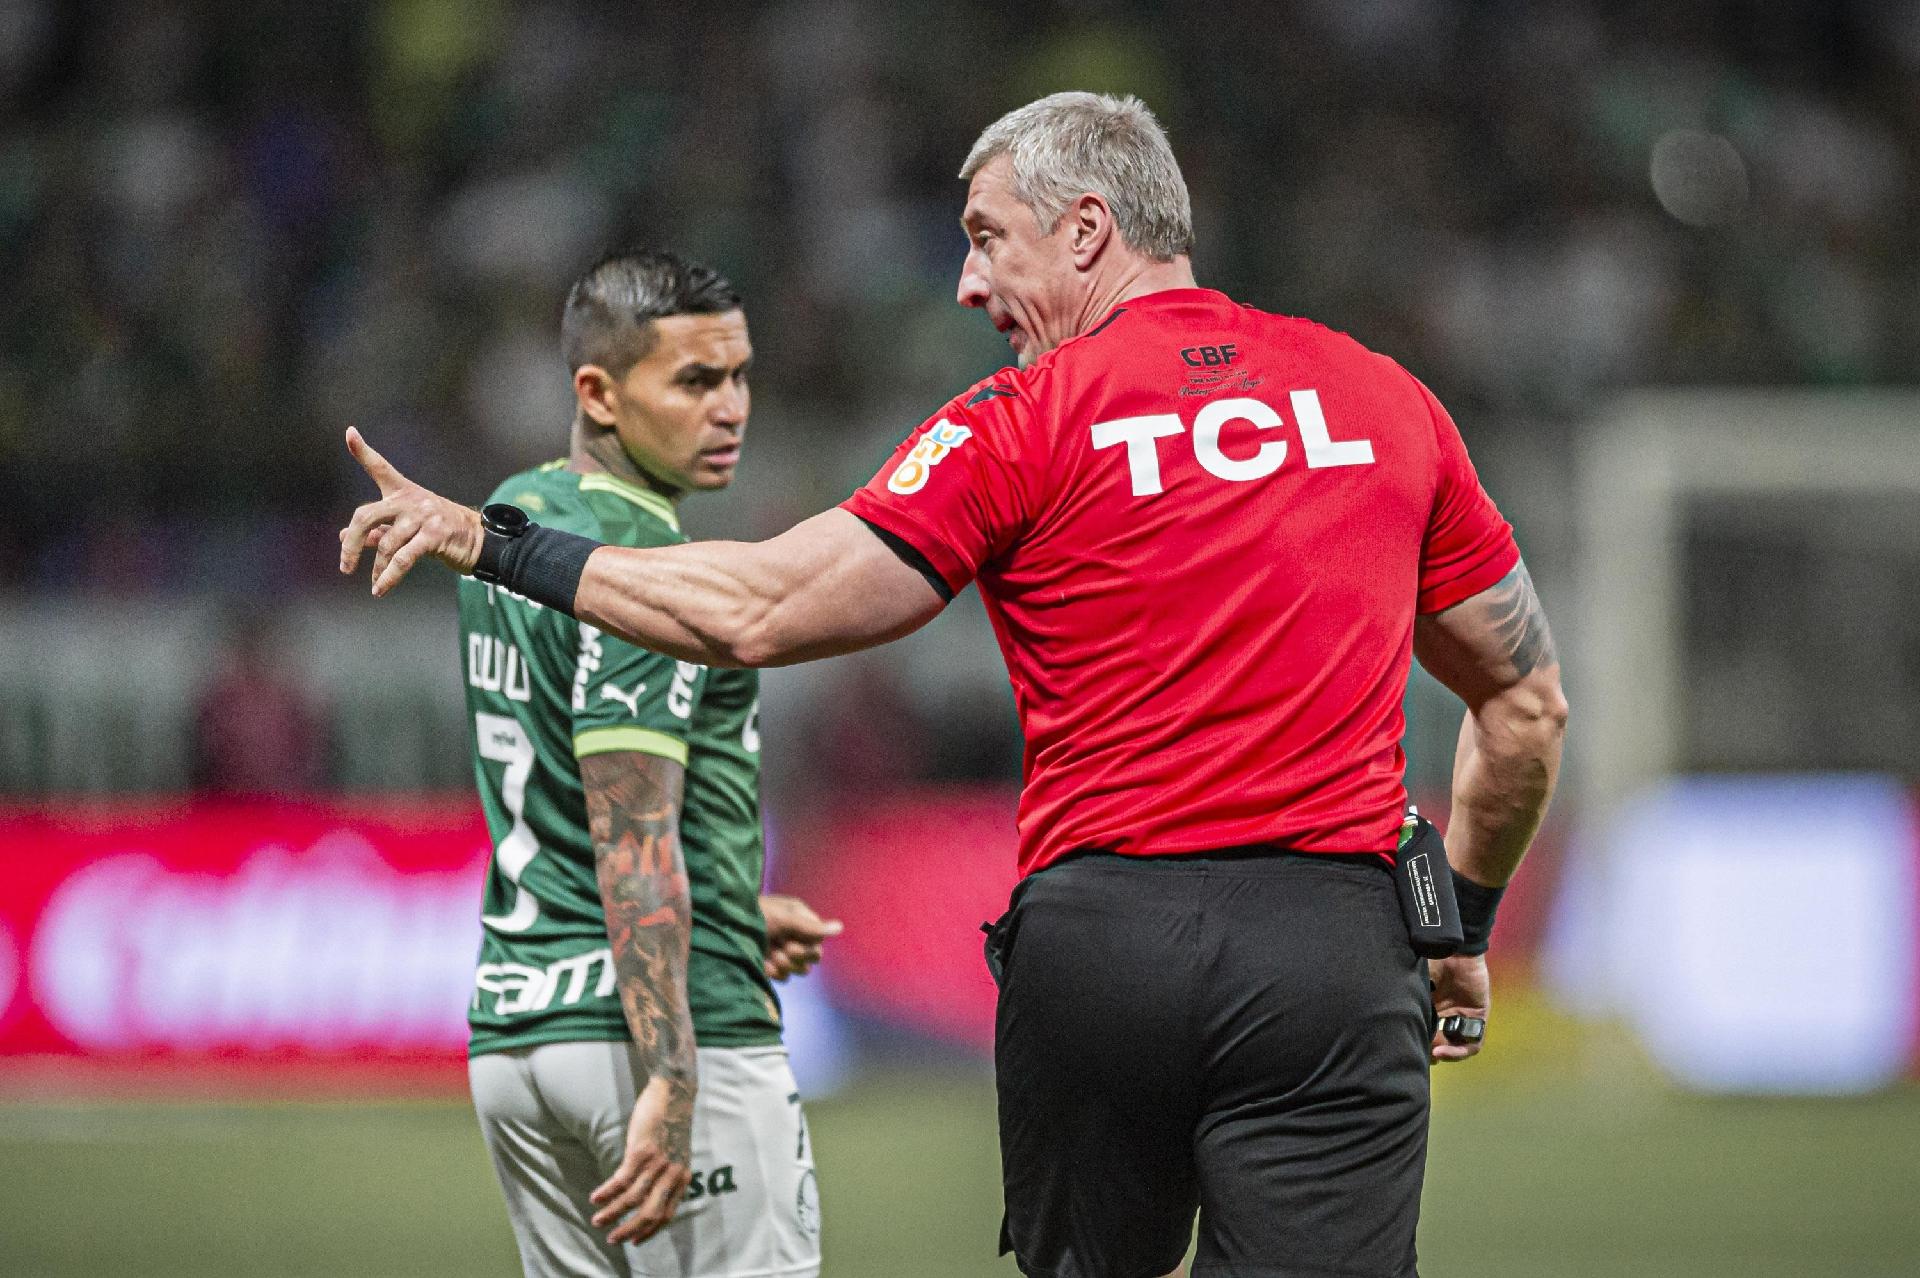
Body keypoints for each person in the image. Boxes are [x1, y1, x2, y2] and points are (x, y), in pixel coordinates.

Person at [342, 94, 1568, 1278]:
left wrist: (497, 540)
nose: (969, 284)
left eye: (987, 238)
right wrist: (1457, 924)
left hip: (1103, 950)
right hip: (1331, 952)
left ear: (1087, 227)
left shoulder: (1022, 419)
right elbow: (1524, 705)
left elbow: (756, 609)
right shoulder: (1383, 400)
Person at [453, 249, 837, 1278]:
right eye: (696, 382)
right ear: (599, 393)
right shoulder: (646, 571)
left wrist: (725, 905)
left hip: (517, 1032)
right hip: (654, 1035)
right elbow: (631, 832)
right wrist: (671, 1077)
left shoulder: (510, 519)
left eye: (741, 375)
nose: (732, 408)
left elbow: (560, 787)